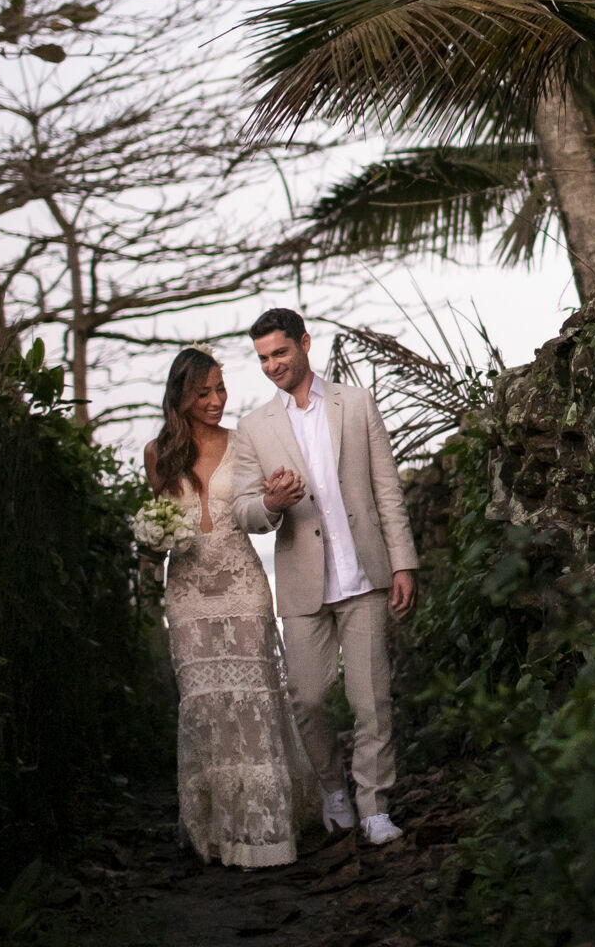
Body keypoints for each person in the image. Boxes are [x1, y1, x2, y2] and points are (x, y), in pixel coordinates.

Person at [230, 308, 420, 846]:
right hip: (300, 583)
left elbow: (387, 489)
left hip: (364, 575)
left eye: (280, 353)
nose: (272, 366)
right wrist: (271, 501)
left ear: (304, 344)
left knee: (372, 700)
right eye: (263, 358)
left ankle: (374, 805)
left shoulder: (356, 404)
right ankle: (332, 788)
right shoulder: (254, 428)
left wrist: (403, 561)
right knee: (308, 698)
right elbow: (244, 510)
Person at [145, 345, 316, 867]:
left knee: (257, 701)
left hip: (243, 585)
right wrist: (152, 539)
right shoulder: (158, 454)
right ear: (182, 396)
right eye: (205, 392)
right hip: (189, 594)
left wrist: (277, 499)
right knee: (205, 706)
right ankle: (218, 830)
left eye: (221, 388)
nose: (218, 399)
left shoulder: (245, 443)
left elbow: (259, 510)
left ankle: (266, 833)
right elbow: (157, 530)